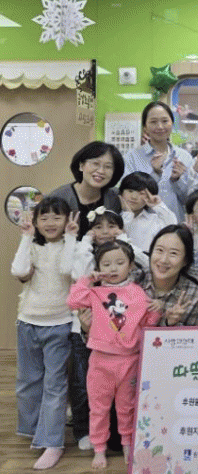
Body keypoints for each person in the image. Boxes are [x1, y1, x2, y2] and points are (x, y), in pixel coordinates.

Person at [67, 240, 160, 469]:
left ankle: (128, 444)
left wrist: (157, 311)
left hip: (129, 360)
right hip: (100, 360)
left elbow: (148, 324)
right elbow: (73, 300)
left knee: (126, 408)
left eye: (120, 262)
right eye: (106, 264)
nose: (113, 268)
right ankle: (99, 448)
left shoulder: (138, 293)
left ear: (131, 265)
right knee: (98, 408)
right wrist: (87, 279)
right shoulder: (95, 292)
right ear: (98, 267)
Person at [11, 197, 77, 470]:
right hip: (27, 322)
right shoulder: (32, 246)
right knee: (27, 382)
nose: (50, 222)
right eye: (44, 217)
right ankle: (33, 430)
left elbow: (67, 270)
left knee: (55, 385)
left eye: (57, 217)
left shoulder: (73, 246)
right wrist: (26, 237)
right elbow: (18, 270)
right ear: (36, 222)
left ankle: (53, 443)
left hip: (59, 324)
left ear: (67, 220)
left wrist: (71, 238)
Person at [123, 102, 193, 221]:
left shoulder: (185, 157)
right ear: (145, 127)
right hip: (141, 226)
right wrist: (155, 174)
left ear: (172, 124)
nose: (160, 127)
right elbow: (128, 198)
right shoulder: (132, 157)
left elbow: (190, 200)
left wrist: (177, 180)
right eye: (153, 122)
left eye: (165, 121)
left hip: (175, 226)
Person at [49, 141, 125, 239]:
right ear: (81, 166)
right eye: (95, 164)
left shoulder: (116, 197)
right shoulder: (58, 198)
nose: (101, 171)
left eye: (108, 167)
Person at [136, 224, 198, 326]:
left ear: (185, 261)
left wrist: (170, 324)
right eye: (159, 250)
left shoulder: (192, 296)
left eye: (173, 253)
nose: (164, 260)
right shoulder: (135, 279)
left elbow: (190, 335)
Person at [119, 171, 177, 251]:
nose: (134, 197)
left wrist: (158, 205)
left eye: (141, 193)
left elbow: (172, 226)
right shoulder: (113, 217)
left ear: (150, 196)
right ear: (121, 193)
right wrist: (127, 214)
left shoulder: (154, 220)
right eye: (130, 191)